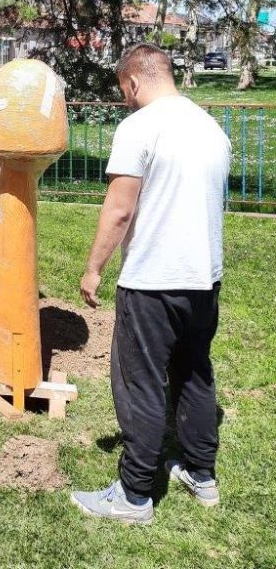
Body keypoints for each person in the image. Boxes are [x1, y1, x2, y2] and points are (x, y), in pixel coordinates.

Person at [70, 43, 231, 525]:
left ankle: (134, 495)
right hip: (204, 278)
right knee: (194, 372)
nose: (125, 101)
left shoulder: (139, 126)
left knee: (140, 383)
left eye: (124, 92)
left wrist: (94, 267)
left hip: (152, 282)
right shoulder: (210, 127)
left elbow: (120, 208)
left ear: (134, 82)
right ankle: (201, 473)